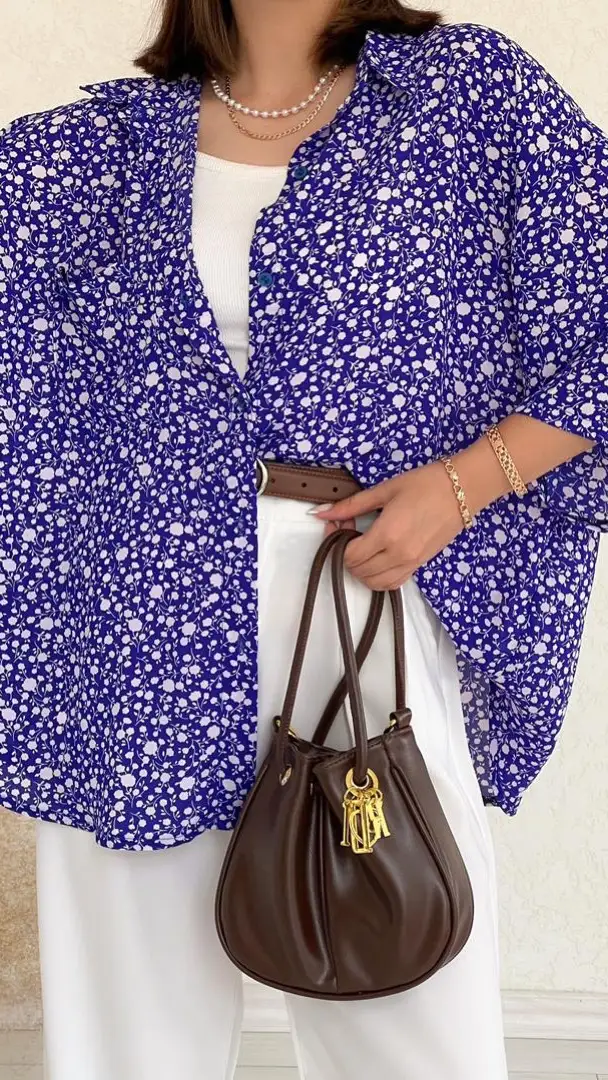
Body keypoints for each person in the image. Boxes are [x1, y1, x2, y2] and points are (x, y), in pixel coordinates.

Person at [1, 1, 607, 1077]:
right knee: (130, 1031)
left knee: (407, 993)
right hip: (132, 616)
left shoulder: (464, 95)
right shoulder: (79, 157)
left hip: (357, 594)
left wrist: (463, 487)